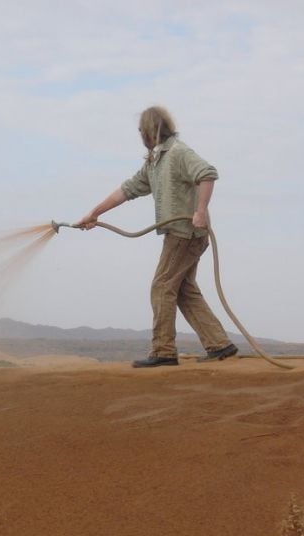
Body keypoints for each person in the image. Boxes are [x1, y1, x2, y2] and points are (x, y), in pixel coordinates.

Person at [76, 106, 238, 368]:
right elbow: (127, 190)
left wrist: (200, 211)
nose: (140, 134)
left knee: (162, 287)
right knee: (183, 289)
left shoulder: (178, 153)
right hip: (181, 233)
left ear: (152, 129)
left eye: (141, 129)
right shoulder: (154, 162)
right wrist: (94, 213)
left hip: (185, 233)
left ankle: (163, 351)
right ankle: (219, 344)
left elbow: (207, 173)